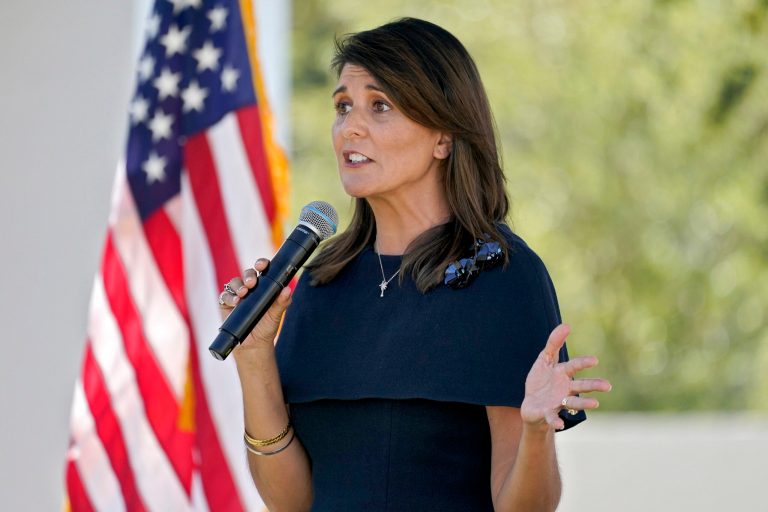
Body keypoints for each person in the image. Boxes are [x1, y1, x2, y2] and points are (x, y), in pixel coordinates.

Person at [218, 17, 611, 511]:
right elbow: (293, 502)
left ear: (442, 137)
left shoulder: (503, 278)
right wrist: (255, 359)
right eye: (343, 106)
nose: (350, 127)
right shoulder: (320, 283)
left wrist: (535, 431)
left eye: (379, 105)